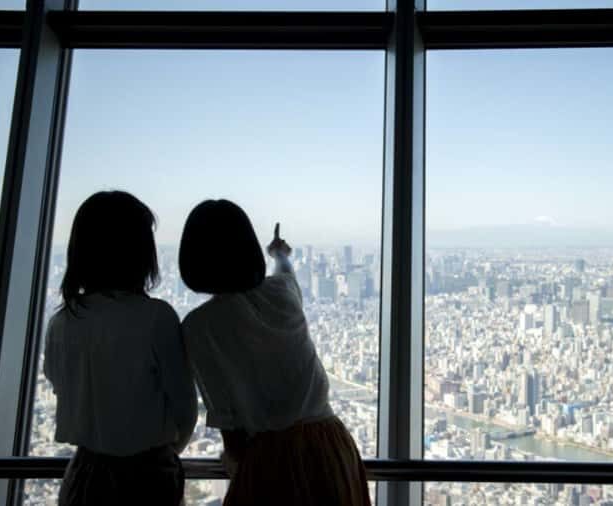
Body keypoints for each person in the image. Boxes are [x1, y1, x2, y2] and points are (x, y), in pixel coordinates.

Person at [179, 199, 370, 506]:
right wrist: (279, 253)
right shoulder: (283, 293)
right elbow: (285, 272)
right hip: (331, 448)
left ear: (192, 260)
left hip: (272, 463)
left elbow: (230, 425)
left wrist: (237, 467)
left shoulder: (198, 327)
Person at [43, 191, 197, 506]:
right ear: (141, 252)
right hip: (148, 478)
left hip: (84, 476)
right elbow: (185, 412)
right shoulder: (156, 318)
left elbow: (63, 388)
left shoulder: (61, 323)